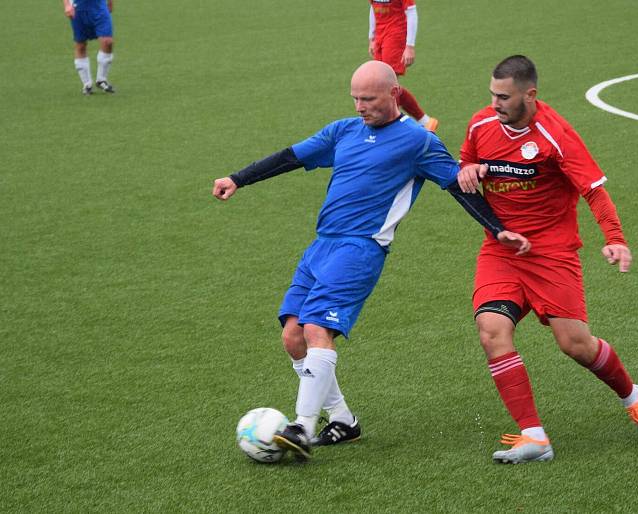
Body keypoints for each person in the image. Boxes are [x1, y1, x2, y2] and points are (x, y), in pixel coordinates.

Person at [212, 60, 530, 462]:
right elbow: (291, 156)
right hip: (322, 246)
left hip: (360, 248)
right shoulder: (343, 130)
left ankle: (302, 428)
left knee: (315, 330)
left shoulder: (418, 142)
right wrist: (237, 179)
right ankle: (343, 421)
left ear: (394, 95)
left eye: (369, 99)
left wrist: (497, 228)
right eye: (356, 98)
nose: (361, 106)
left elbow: (457, 185)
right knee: (292, 337)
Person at [457, 55, 638, 464]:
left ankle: (632, 397)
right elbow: (465, 161)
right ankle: (534, 436)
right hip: (501, 250)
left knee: (576, 345)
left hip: (551, 252)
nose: (494, 103)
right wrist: (468, 169)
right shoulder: (481, 124)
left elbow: (594, 191)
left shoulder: (555, 134)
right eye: (492, 94)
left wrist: (615, 239)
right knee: (491, 330)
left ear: (530, 95)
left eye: (504, 96)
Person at [369, 0, 438, 131]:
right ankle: (426, 122)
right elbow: (373, 7)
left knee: (387, 85)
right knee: (386, 84)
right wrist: (371, 37)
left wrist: (410, 46)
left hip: (396, 35)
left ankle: (394, 130)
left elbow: (411, 12)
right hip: (380, 35)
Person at [63, 0, 115, 95]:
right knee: (81, 44)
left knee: (108, 42)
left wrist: (110, 2)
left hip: (99, 6)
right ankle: (87, 84)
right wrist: (67, 5)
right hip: (78, 7)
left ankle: (101, 80)